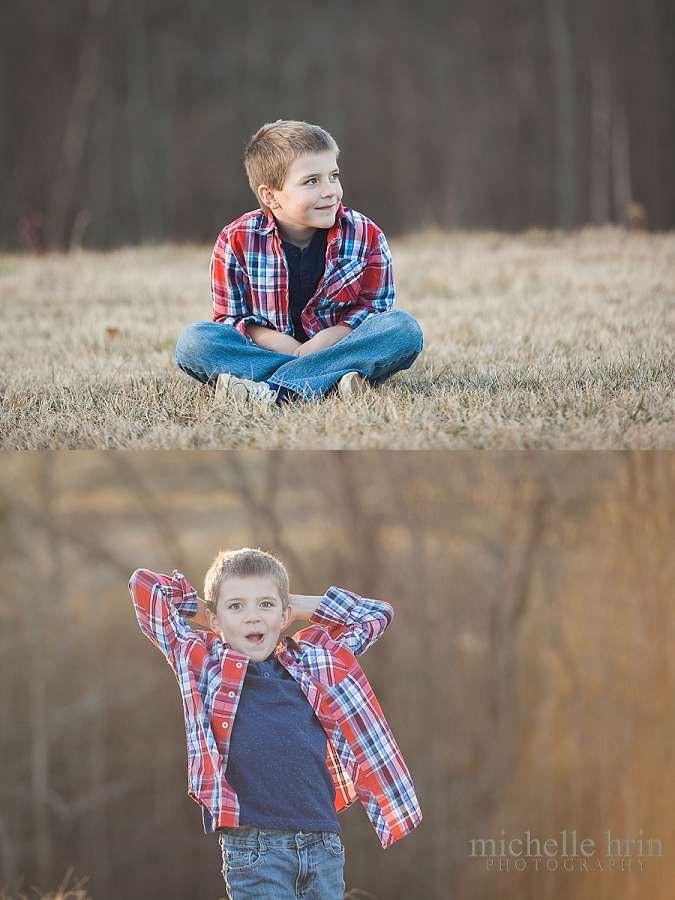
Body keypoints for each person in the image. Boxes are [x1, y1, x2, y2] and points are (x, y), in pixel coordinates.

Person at [128, 548, 422, 900]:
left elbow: (375, 615)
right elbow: (144, 588)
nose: (252, 618)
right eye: (236, 606)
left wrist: (294, 604)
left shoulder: (314, 660)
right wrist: (205, 610)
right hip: (254, 850)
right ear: (215, 620)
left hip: (323, 845)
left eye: (265, 605)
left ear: (284, 616)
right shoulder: (203, 664)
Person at [175, 120, 424, 404]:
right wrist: (290, 350)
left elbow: (374, 310)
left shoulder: (366, 235)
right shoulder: (236, 239)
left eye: (333, 175)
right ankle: (330, 381)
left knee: (402, 330)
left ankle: (271, 391)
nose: (330, 191)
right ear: (271, 196)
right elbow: (231, 319)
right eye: (311, 181)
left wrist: (327, 339)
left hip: (337, 346)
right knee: (194, 342)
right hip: (266, 350)